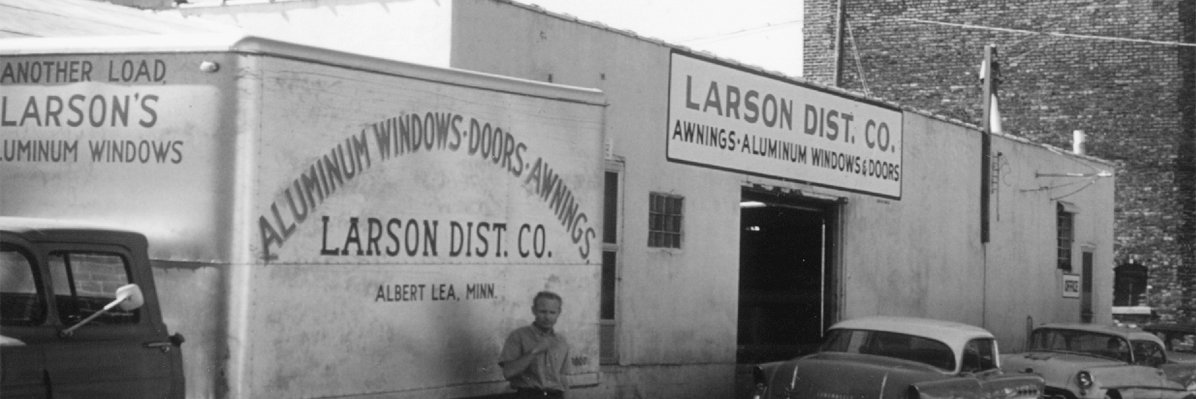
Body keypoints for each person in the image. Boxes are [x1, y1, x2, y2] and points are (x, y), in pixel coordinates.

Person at [499, 291, 570, 399]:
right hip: (528, 395)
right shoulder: (518, 336)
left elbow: (563, 378)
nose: (547, 317)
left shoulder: (561, 341)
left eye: (552, 312)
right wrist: (535, 351)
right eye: (543, 311)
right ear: (534, 311)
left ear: (559, 312)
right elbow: (508, 372)